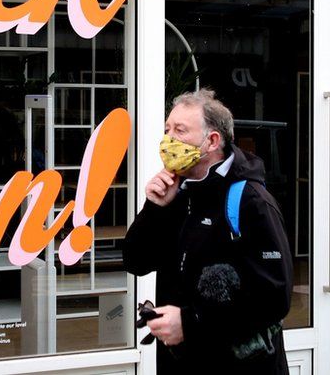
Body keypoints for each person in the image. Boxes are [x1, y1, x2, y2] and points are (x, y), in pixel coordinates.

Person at [123, 89, 293, 374]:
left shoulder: (251, 200)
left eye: (180, 130)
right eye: (167, 130)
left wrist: (190, 323)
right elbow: (136, 261)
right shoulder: (179, 193)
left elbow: (274, 297)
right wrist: (155, 208)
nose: (168, 140)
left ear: (212, 140)